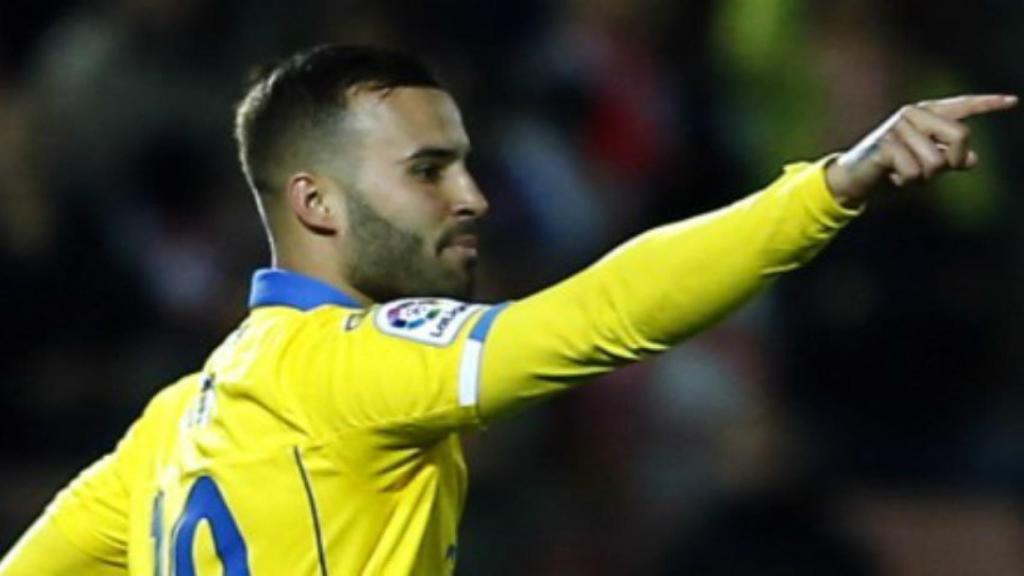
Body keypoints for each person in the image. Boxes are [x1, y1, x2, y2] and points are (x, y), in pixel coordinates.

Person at [0, 44, 1014, 575]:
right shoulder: (347, 365)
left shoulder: (176, 420)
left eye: (466, 163)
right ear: (315, 201)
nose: (473, 196)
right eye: (428, 170)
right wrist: (832, 184)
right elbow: (598, 319)